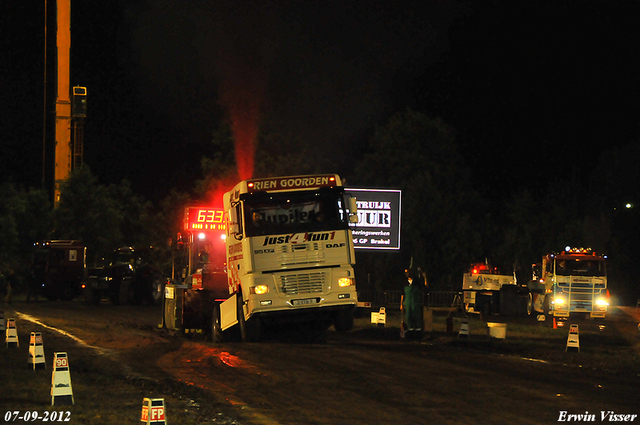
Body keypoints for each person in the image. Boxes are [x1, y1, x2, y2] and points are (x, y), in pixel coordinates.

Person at [400, 266, 428, 341]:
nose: (407, 274)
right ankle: (410, 334)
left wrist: (425, 278)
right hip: (408, 303)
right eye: (406, 272)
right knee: (408, 318)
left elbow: (425, 288)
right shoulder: (404, 283)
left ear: (411, 272)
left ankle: (419, 335)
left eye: (408, 272)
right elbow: (402, 294)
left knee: (417, 318)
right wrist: (401, 304)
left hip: (416, 303)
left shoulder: (417, 281)